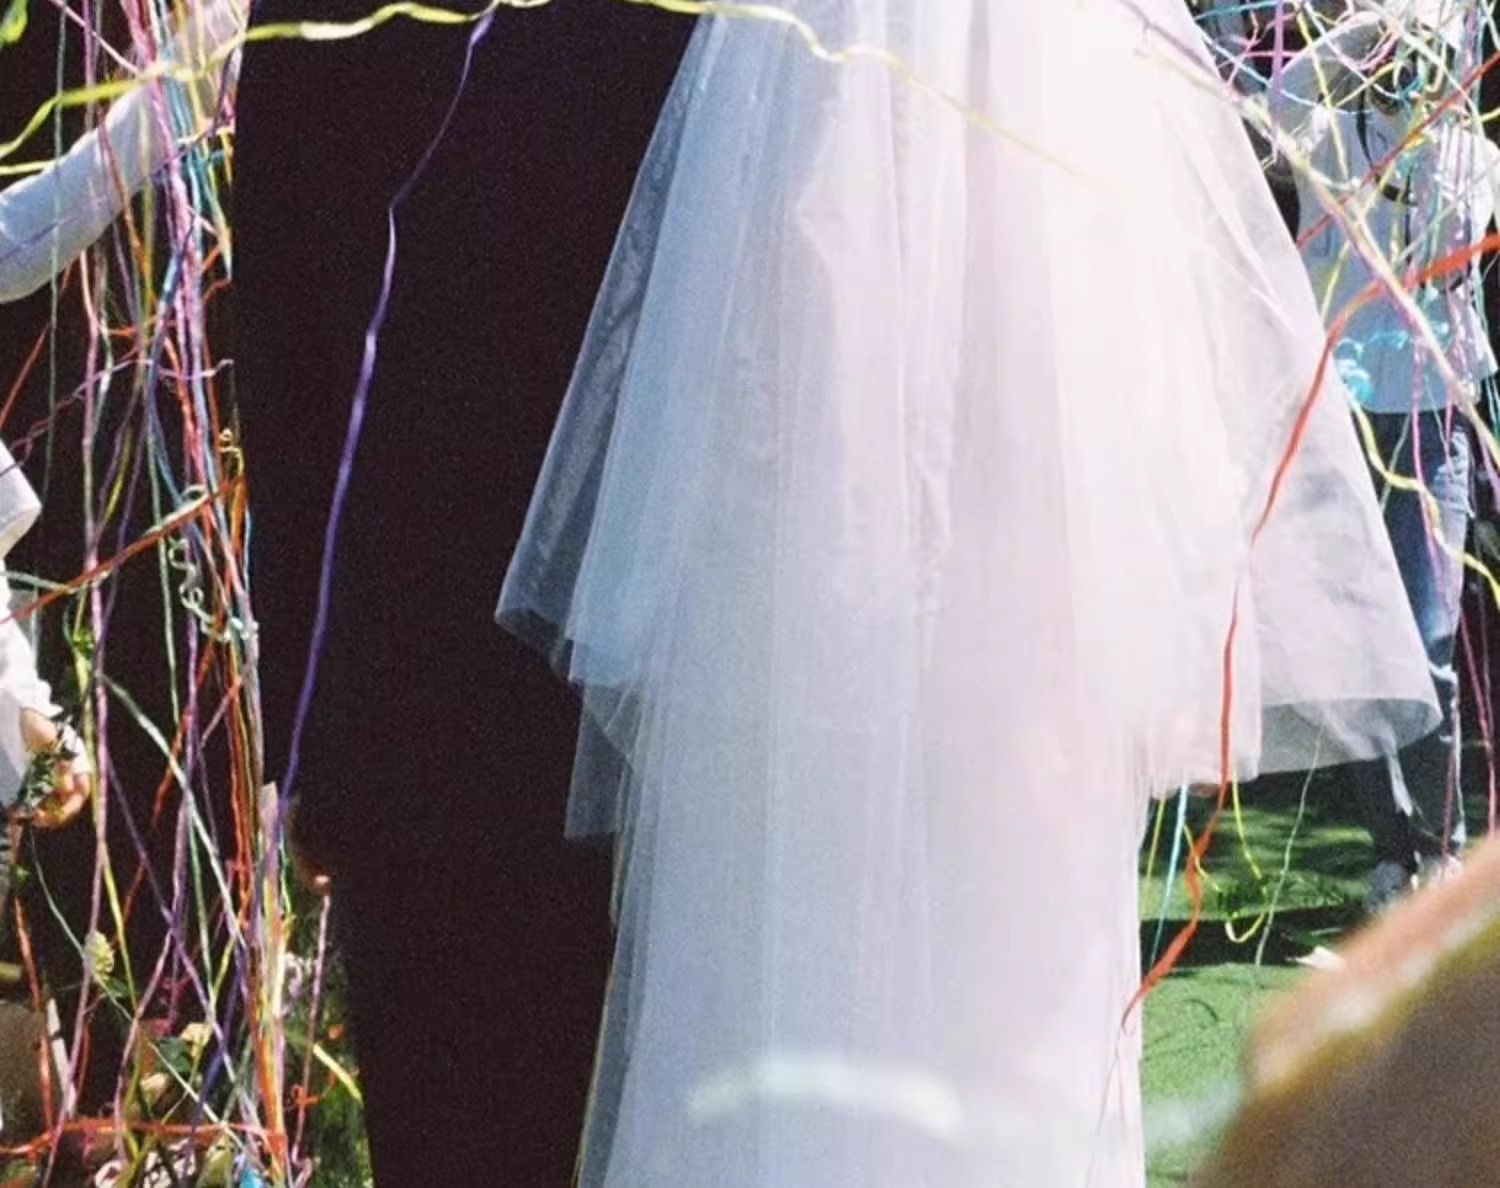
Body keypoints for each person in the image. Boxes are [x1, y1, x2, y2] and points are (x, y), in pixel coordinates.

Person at [497, 1, 1439, 1184]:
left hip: (915, 603)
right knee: (943, 932)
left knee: (858, 927)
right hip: (965, 611)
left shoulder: (827, 59)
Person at [1272, 2, 1498, 909]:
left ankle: (1442, 851)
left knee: (1432, 641)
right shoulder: (1329, 141)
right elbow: (1285, 96)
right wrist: (1370, 31)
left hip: (1433, 425)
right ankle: (1392, 851)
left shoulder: (1474, 160)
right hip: (1340, 421)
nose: (1411, 68)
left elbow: (1456, 268)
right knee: (1356, 647)